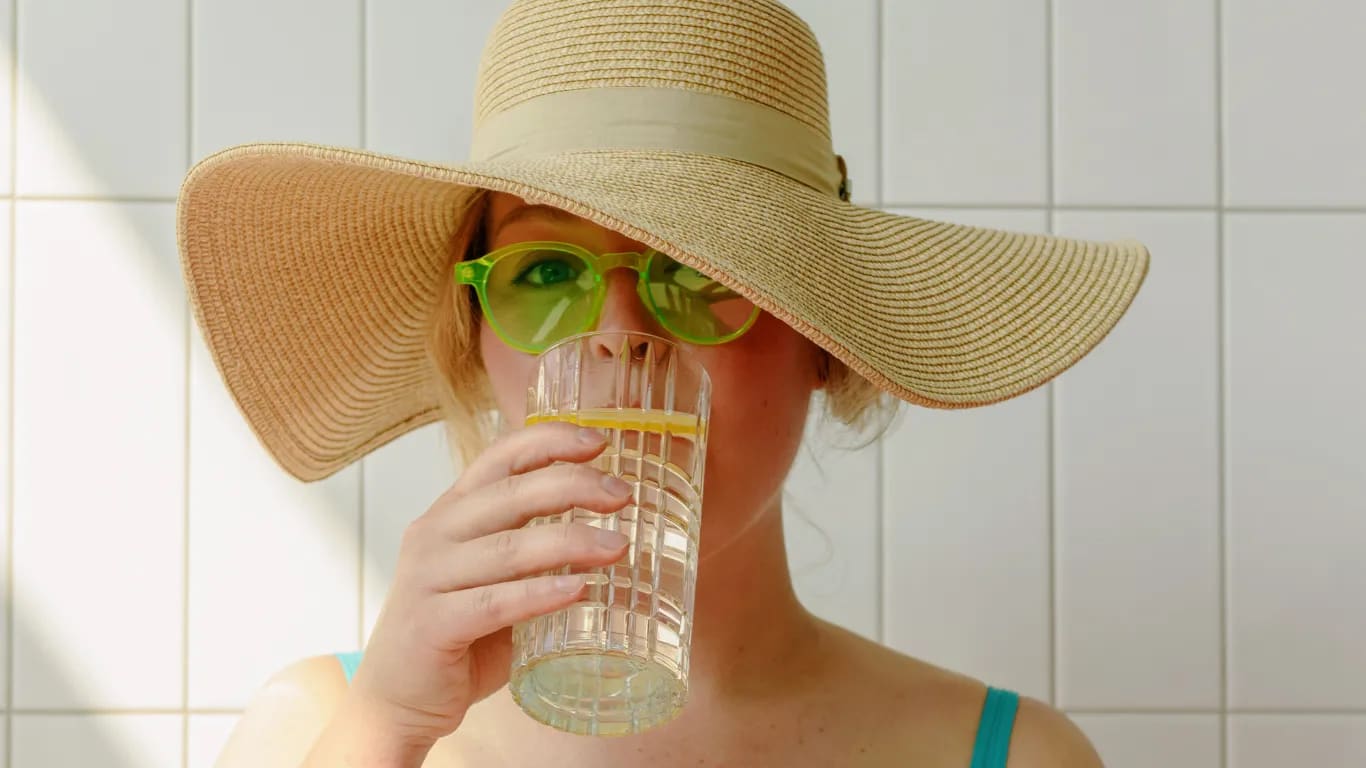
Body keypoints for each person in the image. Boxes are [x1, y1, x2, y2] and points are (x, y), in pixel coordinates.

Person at [176, 1, 1149, 765]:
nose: (619, 340)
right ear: (474, 338)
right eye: (546, 272)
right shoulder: (320, 729)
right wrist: (384, 732)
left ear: (824, 342)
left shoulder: (1011, 757)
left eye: (701, 274)